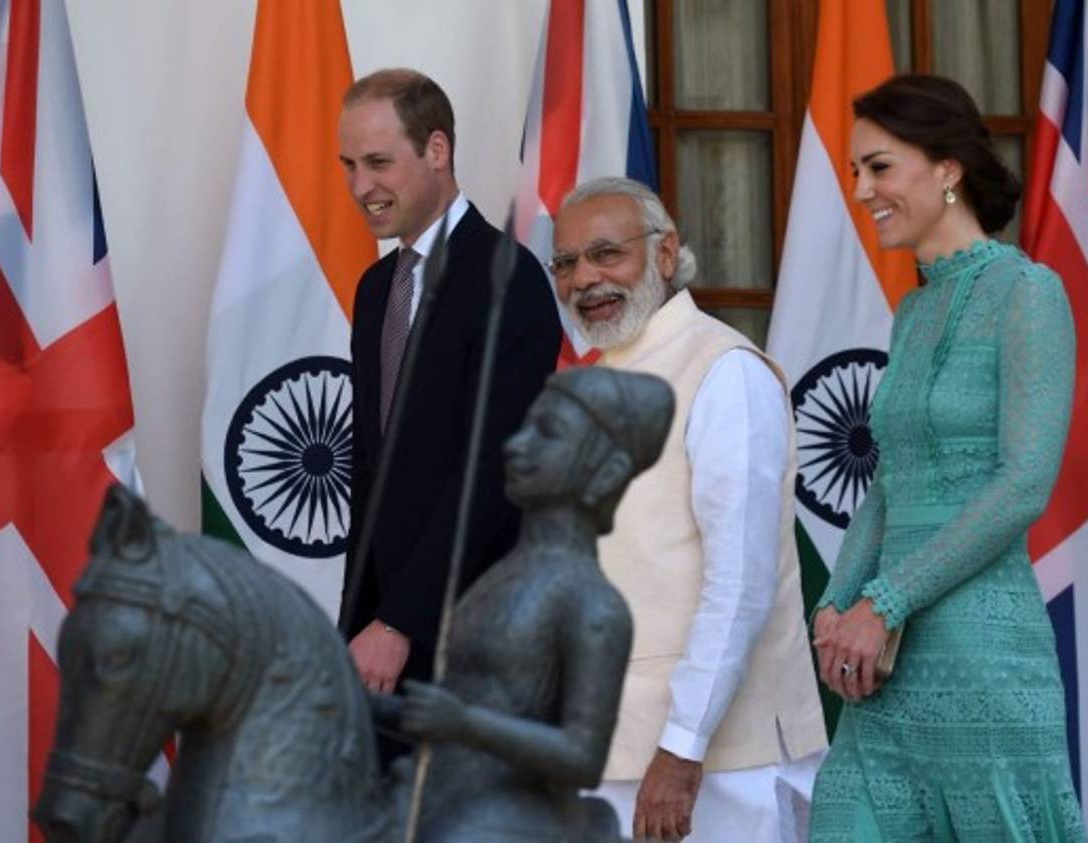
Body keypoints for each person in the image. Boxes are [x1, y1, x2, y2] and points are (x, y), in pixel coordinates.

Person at [807, 74, 1087, 841]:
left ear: (948, 168)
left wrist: (887, 601)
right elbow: (889, 483)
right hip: (884, 675)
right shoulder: (914, 310)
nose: (862, 189)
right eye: (857, 170)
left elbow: (1025, 481)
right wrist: (837, 601)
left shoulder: (1030, 293)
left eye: (879, 166)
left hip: (982, 659)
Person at [550, 176, 829, 843]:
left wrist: (681, 750)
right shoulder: (591, 381)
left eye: (606, 253)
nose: (585, 277)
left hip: (713, 765)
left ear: (666, 253)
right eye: (566, 262)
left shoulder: (723, 369)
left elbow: (739, 584)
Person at [336, 69, 559, 733]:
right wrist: (358, 622)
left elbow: (491, 476)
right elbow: (373, 475)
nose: (360, 187)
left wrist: (400, 620)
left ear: (437, 150)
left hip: (475, 649)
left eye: (379, 162)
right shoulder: (377, 289)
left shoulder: (506, 278)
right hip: (379, 650)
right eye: (348, 165)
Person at [378, 367, 675, 842]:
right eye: (524, 426)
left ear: (606, 473)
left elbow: (583, 758)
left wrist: (464, 723)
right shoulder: (498, 576)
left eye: (547, 433)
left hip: (504, 820)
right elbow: (455, 703)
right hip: (440, 791)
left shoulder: (591, 603)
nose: (516, 444)